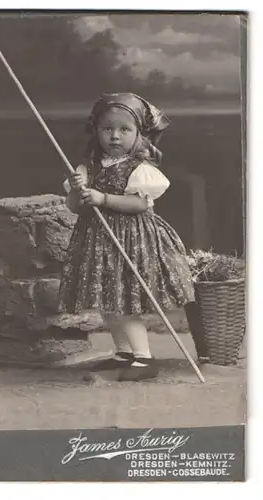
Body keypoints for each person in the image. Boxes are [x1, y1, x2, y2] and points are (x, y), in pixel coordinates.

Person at [58, 92, 208, 382]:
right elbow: (75, 207)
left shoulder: (140, 169)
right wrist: (79, 191)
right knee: (108, 301)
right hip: (97, 241)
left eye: (124, 130)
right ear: (96, 132)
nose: (115, 136)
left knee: (125, 301)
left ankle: (144, 358)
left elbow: (140, 204)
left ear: (140, 134)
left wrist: (101, 197)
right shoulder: (85, 170)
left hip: (131, 240)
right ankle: (123, 352)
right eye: (107, 129)